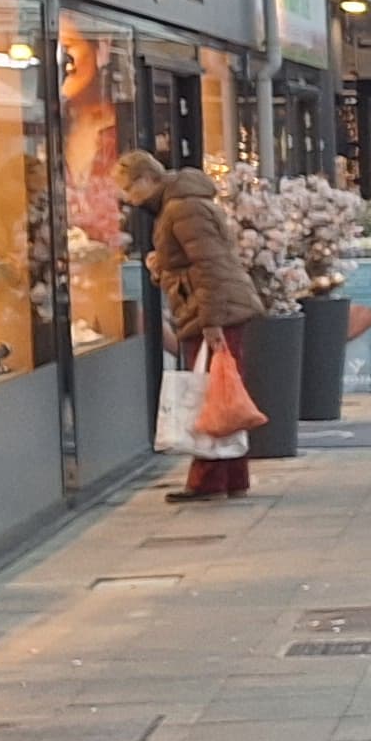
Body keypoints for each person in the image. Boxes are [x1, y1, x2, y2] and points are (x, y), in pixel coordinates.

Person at [122, 149, 264, 503]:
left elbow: (209, 265)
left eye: (128, 188)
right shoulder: (182, 203)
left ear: (145, 179)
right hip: (212, 307)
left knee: (209, 394)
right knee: (221, 391)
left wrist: (211, 321)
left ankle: (208, 481)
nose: (128, 198)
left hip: (211, 310)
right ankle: (232, 477)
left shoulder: (182, 208)